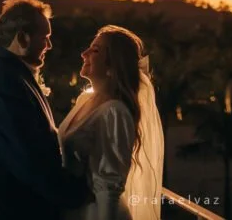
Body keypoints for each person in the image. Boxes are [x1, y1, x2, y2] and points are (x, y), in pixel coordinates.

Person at [0, 0, 91, 220]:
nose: (49, 46)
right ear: (22, 38)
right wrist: (78, 194)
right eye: (45, 38)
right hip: (2, 210)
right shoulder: (4, 84)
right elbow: (28, 159)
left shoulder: (9, 73)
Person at [58, 25, 164, 220]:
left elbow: (109, 187)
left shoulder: (115, 112)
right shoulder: (85, 100)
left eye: (95, 50)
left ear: (112, 65)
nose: (84, 53)